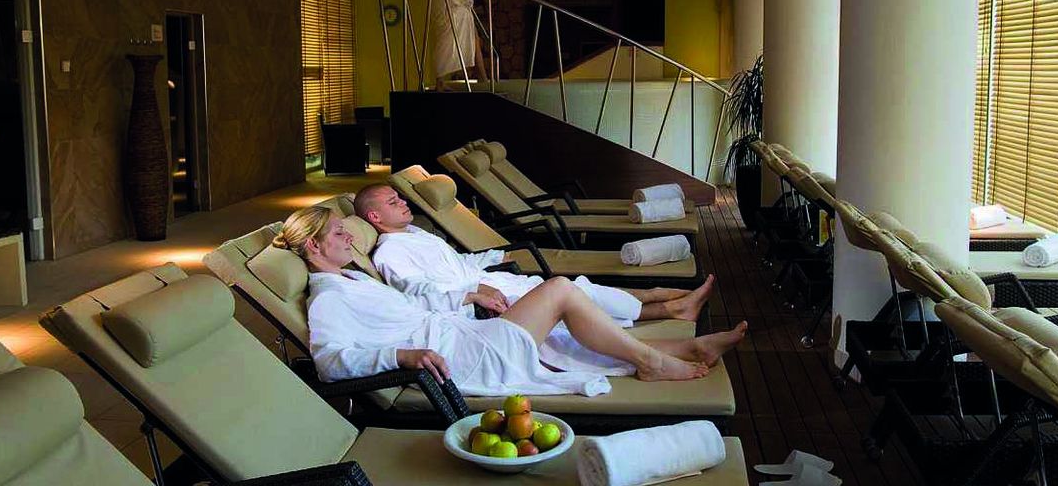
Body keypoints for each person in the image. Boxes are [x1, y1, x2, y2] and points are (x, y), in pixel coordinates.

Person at [273, 206, 747, 397]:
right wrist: (402, 355)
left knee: (562, 335)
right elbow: (329, 362)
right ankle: (651, 362)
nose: (348, 239)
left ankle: (689, 348)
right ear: (313, 246)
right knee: (559, 291)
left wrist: (467, 291)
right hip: (457, 356)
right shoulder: (327, 298)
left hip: (464, 335)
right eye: (339, 234)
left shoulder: (353, 279)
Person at [355, 183, 714, 326]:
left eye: (400, 197)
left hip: (492, 282)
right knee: (575, 298)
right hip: (482, 305)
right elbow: (417, 291)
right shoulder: (390, 252)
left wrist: (491, 258)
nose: (403, 202)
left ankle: (657, 297)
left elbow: (459, 263)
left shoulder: (415, 234)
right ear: (374, 217)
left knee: (579, 289)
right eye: (393, 202)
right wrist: (473, 292)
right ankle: (665, 306)